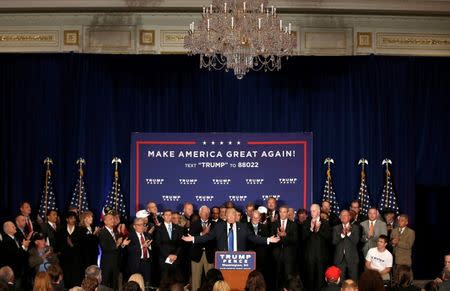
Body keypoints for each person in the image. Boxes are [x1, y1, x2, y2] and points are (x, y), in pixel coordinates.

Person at [182, 208, 280, 251]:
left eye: (233, 215)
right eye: (229, 215)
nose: (232, 217)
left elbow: (254, 238)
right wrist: (194, 239)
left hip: (239, 261)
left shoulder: (243, 227)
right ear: (226, 216)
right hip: (224, 260)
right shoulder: (219, 226)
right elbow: (208, 237)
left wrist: (268, 239)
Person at [98, 212, 130, 289]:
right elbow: (105, 248)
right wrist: (117, 244)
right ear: (105, 221)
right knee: (105, 283)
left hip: (116, 262)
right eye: (110, 219)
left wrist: (123, 244)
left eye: (113, 219)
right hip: (107, 263)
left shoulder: (115, 232)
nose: (113, 220)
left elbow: (118, 248)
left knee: (114, 284)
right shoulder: (102, 232)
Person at [303, 204, 331, 291]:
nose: (311, 213)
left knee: (321, 279)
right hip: (310, 256)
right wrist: (311, 228)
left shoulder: (325, 222)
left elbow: (328, 237)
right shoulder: (306, 222)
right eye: (311, 211)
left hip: (321, 256)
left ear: (319, 211)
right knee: (310, 278)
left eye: (314, 211)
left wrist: (319, 230)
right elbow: (303, 238)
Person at [270, 205, 298, 290]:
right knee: (277, 277)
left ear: (287, 213)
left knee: (288, 276)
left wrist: (285, 235)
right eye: (281, 212)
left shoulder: (293, 224)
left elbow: (295, 240)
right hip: (276, 255)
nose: (282, 214)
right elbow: (271, 238)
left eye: (284, 212)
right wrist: (278, 236)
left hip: (288, 255)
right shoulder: (274, 224)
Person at [190, 206, 215, 291]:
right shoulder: (193, 224)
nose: (206, 214)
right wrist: (203, 233)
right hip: (197, 255)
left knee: (211, 279)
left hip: (210, 255)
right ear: (200, 214)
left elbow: (214, 238)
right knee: (196, 279)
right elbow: (192, 238)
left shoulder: (214, 224)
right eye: (204, 212)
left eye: (207, 213)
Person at [56, 212, 83, 288]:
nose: (73, 220)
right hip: (64, 259)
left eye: (74, 218)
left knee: (75, 279)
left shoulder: (80, 230)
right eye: (71, 218)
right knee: (65, 278)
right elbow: (58, 244)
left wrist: (72, 245)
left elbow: (82, 246)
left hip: (76, 259)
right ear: (67, 219)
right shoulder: (61, 230)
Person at [154, 209, 183, 278]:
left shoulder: (178, 228)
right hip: (164, 259)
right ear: (163, 216)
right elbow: (158, 244)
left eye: (169, 215)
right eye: (166, 215)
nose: (168, 216)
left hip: (176, 259)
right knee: (165, 279)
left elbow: (180, 243)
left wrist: (175, 255)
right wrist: (168, 255)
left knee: (176, 279)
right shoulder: (158, 228)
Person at [332, 210, 360, 281]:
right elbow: (334, 242)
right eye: (342, 215)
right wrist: (342, 235)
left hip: (352, 258)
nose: (344, 217)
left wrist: (348, 233)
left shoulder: (355, 228)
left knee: (354, 281)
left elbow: (356, 241)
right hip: (340, 259)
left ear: (349, 217)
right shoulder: (336, 228)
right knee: (340, 282)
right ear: (340, 217)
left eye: (346, 215)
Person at [1, 221, 30, 287]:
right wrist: (23, 246)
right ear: (7, 229)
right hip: (14, 272)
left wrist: (25, 247)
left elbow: (21, 253)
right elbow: (15, 255)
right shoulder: (6, 241)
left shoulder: (15, 238)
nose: (15, 228)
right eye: (13, 226)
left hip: (22, 269)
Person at [126, 218, 152, 286]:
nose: (142, 227)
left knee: (147, 282)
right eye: (139, 225)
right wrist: (142, 246)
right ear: (134, 226)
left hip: (147, 262)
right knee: (137, 283)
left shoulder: (147, 235)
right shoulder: (130, 236)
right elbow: (129, 249)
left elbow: (152, 248)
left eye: (143, 225)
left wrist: (149, 246)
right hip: (137, 263)